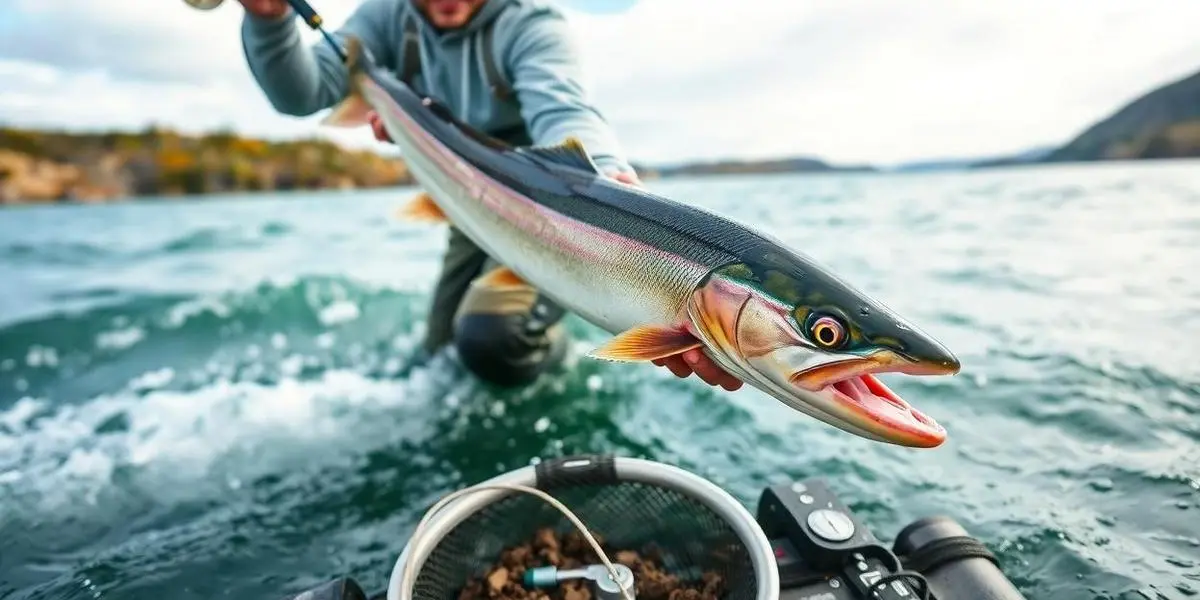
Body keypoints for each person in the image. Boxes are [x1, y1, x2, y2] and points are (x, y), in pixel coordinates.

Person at [237, 0, 742, 392]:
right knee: (438, 357)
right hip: (465, 203)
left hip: (555, 218)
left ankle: (552, 355)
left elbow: (563, 110)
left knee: (489, 339)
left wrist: (608, 181)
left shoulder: (532, 23)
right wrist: (270, 20)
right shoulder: (387, 15)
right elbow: (302, 94)